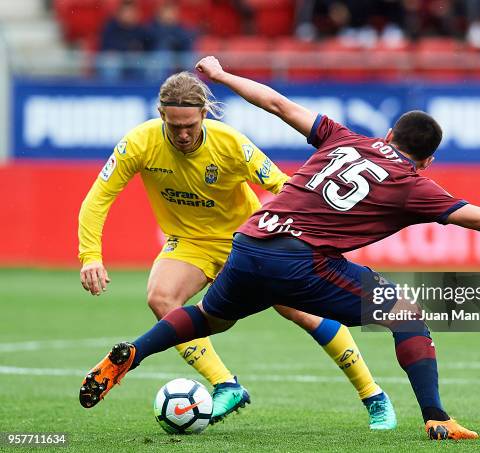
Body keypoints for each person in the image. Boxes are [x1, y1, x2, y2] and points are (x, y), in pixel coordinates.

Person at [79, 58, 480, 440]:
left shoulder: (342, 138)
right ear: (429, 160)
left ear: (389, 132)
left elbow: (277, 103)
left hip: (249, 239)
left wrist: (221, 75)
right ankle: (436, 418)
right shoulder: (412, 182)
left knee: (207, 320)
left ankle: (133, 354)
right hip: (298, 259)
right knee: (408, 315)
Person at [77, 71, 397, 429]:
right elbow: (97, 199)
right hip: (191, 243)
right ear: (161, 116)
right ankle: (225, 385)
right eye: (173, 125)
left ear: (203, 115)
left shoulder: (231, 143)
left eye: (189, 125)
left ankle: (374, 396)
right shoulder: (139, 142)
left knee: (302, 314)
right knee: (161, 296)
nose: (182, 134)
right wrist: (91, 255)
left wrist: (310, 235)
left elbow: (281, 184)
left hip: (250, 243)